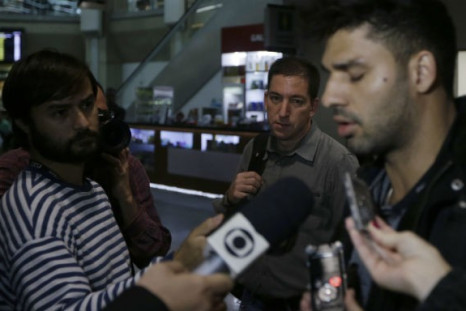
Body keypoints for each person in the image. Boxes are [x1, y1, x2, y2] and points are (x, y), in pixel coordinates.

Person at [0, 49, 232, 310]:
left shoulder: (94, 190)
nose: (82, 123)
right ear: (23, 123)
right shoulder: (31, 208)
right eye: (59, 112)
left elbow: (116, 283)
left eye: (87, 105)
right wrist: (165, 287)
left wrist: (177, 268)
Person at [309, 0, 466, 309]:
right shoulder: (366, 186)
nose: (329, 97)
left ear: (421, 72)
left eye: (354, 74)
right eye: (330, 75)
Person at [213, 56, 359, 310]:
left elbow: (353, 249)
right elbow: (232, 227)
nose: (283, 112)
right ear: (266, 99)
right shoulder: (256, 149)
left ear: (313, 107)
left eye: (296, 101)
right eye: (276, 98)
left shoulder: (337, 163)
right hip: (249, 297)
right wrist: (230, 199)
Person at [0, 82, 171, 268]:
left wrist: (126, 198)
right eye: (63, 113)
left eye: (100, 116)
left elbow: (154, 251)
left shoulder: (121, 166)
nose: (86, 125)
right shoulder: (16, 170)